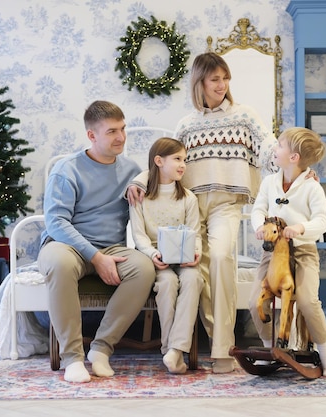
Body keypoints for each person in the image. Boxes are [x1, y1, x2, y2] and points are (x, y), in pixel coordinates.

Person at [128, 52, 278, 373]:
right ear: (200, 82)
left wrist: (289, 164)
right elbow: (163, 160)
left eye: (225, 78)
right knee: (201, 272)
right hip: (191, 209)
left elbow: (267, 145)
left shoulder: (243, 115)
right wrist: (139, 182)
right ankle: (213, 342)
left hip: (225, 204)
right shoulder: (187, 124)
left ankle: (223, 349)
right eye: (215, 79)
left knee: (222, 258)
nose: (222, 85)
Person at [38, 100, 156, 383]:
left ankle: (101, 348)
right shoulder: (66, 169)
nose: (121, 137)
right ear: (92, 135)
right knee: (58, 263)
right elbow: (56, 222)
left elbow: (153, 203)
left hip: (112, 246)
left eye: (123, 129)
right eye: (112, 131)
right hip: (67, 245)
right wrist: (95, 257)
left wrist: (142, 184)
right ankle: (72, 357)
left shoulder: (131, 170)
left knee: (144, 269)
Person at [248, 126, 326, 377]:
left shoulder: (312, 187)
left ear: (294, 157)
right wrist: (260, 226)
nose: (274, 149)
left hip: (303, 251)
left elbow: (322, 222)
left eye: (279, 145)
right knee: (254, 300)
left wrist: (300, 228)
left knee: (309, 301)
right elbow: (258, 209)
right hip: (274, 253)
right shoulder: (269, 182)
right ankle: (270, 349)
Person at [129, 137, 203, 374]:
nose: (183, 165)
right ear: (158, 161)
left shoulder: (188, 198)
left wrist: (196, 253)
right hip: (155, 258)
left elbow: (196, 232)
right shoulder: (140, 196)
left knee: (193, 279)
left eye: (185, 160)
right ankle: (171, 350)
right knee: (168, 282)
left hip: (183, 256)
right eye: (178, 159)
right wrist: (152, 254)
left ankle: (175, 350)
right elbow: (139, 236)